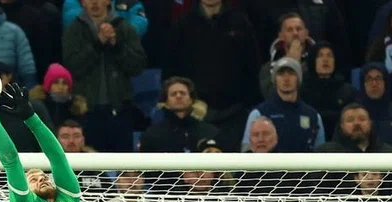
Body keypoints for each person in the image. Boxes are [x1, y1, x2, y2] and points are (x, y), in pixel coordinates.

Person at [163, 0, 260, 144]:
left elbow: (253, 66)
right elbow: (171, 70)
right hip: (194, 115)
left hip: (235, 114)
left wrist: (246, 105)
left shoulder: (240, 23)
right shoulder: (183, 25)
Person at [63, 0, 147, 152]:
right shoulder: (74, 30)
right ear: (82, 2)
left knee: (123, 165)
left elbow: (137, 66)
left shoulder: (124, 27)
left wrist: (117, 45)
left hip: (120, 108)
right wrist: (98, 43)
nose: (95, 2)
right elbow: (73, 66)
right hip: (87, 111)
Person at [241, 58, 324, 153]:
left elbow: (321, 154)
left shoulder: (313, 116)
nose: (286, 78)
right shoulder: (258, 113)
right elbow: (246, 152)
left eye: (291, 73)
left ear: (299, 78)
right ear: (274, 79)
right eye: (281, 74)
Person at [139, 77, 220, 154]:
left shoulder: (210, 132)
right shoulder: (152, 135)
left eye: (183, 93)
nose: (178, 96)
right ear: (166, 102)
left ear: (192, 99)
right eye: (173, 94)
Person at [300, 41, 357, 138]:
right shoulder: (302, 89)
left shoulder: (347, 90)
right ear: (313, 60)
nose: (325, 59)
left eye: (329, 56)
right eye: (320, 56)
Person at [316, 103, 392, 153]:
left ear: (370, 123)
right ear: (342, 126)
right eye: (350, 120)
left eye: (362, 119)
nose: (357, 123)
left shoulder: (387, 152)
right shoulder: (327, 152)